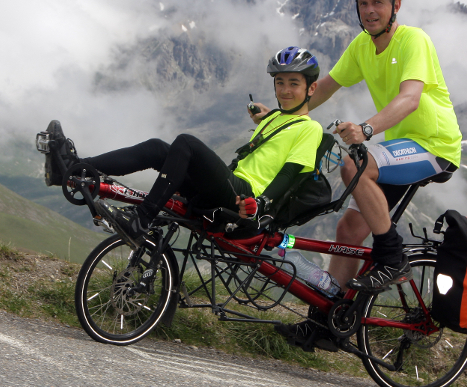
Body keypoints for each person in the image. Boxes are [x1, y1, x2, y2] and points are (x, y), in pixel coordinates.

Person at [254, 0, 461, 347]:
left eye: (378, 3)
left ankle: (392, 256)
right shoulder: (362, 46)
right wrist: (283, 112)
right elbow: (327, 87)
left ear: (395, 5)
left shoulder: (414, 40)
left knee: (356, 164)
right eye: (364, 4)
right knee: (348, 231)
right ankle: (326, 323)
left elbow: (410, 98)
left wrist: (366, 130)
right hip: (401, 150)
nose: (370, 10)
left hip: (433, 146)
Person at [46, 46, 325, 249]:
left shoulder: (311, 129)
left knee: (187, 143)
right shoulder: (277, 117)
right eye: (279, 83)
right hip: (224, 191)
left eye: (294, 84)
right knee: (157, 148)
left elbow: (290, 175)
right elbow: (275, 127)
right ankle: (72, 169)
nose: (285, 90)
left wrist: (260, 206)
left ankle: (141, 221)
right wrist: (261, 115)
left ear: (311, 89)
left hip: (243, 199)